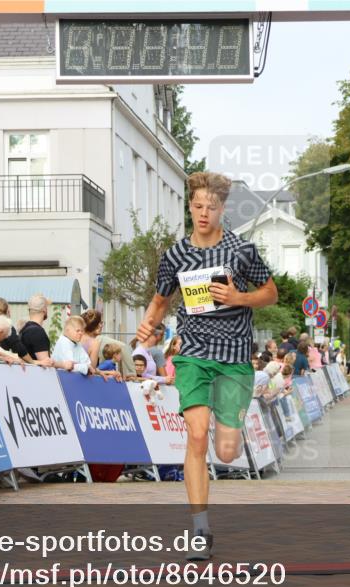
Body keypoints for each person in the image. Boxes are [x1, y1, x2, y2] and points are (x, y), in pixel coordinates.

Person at [136, 171, 277, 561]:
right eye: (197, 206)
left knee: (227, 451)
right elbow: (161, 301)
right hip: (194, 355)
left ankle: (225, 443)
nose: (203, 213)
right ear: (190, 207)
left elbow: (270, 293)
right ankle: (200, 529)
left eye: (210, 207)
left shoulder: (240, 250)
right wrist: (149, 324)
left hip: (233, 359)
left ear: (221, 209)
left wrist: (238, 296)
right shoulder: (176, 255)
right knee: (196, 436)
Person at [81, 308, 134, 378]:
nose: (102, 325)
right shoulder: (94, 343)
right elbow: (91, 371)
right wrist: (110, 372)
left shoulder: (77, 337)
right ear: (97, 326)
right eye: (101, 323)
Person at [20, 293, 55, 364]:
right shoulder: (36, 332)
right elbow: (46, 363)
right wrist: (64, 365)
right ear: (44, 310)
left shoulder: (24, 329)